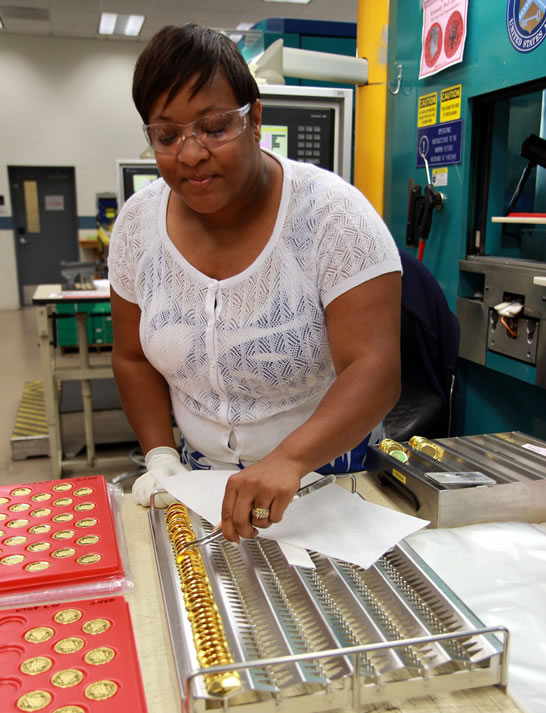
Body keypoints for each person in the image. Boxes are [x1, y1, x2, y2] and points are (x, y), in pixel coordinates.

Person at [108, 23, 402, 544]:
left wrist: (290, 460)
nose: (191, 153)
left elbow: (374, 370)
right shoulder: (138, 225)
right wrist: (161, 455)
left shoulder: (333, 216)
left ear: (255, 119)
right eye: (167, 136)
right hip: (200, 477)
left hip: (327, 473)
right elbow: (132, 356)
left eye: (213, 127)